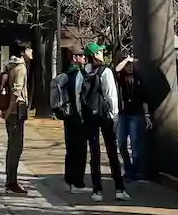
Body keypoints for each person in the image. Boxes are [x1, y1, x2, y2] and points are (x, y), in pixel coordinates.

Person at [80, 43, 129, 202]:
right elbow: (111, 95)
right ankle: (119, 189)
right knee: (112, 151)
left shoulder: (83, 72)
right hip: (105, 116)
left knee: (94, 153)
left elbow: (79, 96)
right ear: (95, 54)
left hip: (90, 116)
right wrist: (114, 116)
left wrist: (83, 115)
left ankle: (97, 191)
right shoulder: (105, 71)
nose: (102, 52)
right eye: (100, 51)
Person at [50, 49, 88, 192]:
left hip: (68, 115)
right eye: (82, 56)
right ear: (75, 58)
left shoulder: (66, 74)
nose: (84, 58)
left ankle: (70, 180)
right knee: (80, 149)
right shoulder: (78, 75)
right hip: (78, 116)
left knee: (71, 149)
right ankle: (77, 182)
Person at [115, 54, 152, 185]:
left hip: (136, 114)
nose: (130, 67)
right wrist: (127, 59)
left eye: (131, 65)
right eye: (127, 65)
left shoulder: (139, 79)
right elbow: (116, 69)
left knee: (135, 144)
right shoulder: (119, 79)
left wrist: (147, 115)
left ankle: (136, 171)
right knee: (121, 142)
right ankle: (128, 169)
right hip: (123, 114)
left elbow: (145, 98)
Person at [3, 40, 33, 195]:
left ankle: (11, 179)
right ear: (22, 52)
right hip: (16, 110)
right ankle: (12, 182)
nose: (31, 51)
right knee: (16, 147)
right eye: (29, 49)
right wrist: (9, 110)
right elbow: (16, 91)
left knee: (12, 146)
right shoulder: (20, 67)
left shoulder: (11, 65)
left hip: (13, 110)